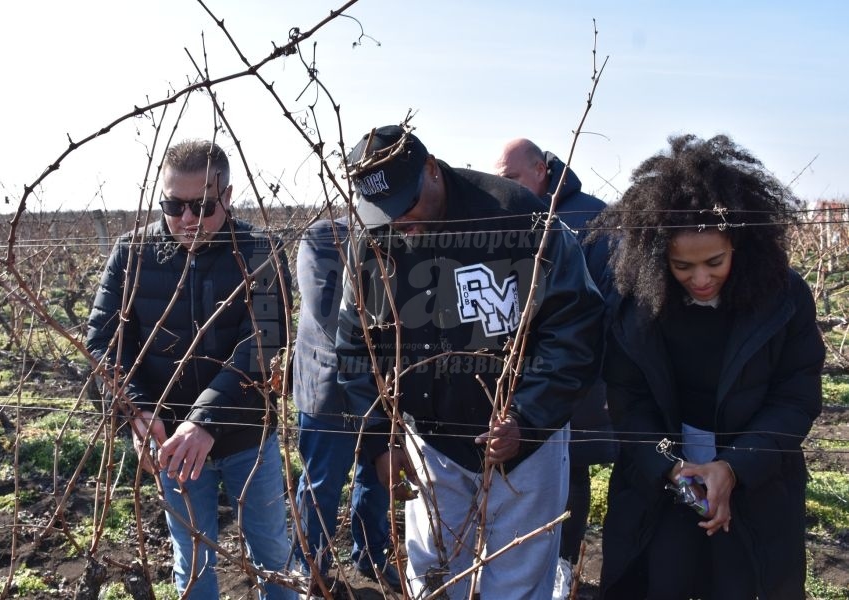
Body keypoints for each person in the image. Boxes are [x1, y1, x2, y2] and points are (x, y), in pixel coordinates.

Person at [335, 124, 605, 599]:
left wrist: (528, 418)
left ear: (432, 171)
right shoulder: (374, 241)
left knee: (518, 581)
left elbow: (574, 325)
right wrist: (380, 437)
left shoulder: (515, 215)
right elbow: (356, 345)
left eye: (406, 204)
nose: (400, 222)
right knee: (434, 579)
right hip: (433, 443)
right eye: (384, 212)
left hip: (525, 446)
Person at [590, 134, 824, 599]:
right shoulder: (637, 305)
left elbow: (795, 399)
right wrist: (670, 468)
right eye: (682, 266)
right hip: (661, 485)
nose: (700, 279)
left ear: (739, 241)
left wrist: (733, 468)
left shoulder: (783, 297)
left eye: (715, 262)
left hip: (759, 484)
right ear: (659, 257)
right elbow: (628, 402)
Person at [86, 139, 297, 600]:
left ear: (228, 197)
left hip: (246, 438)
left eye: (202, 206)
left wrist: (203, 422)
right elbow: (104, 342)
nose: (186, 219)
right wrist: (137, 412)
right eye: (172, 205)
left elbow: (263, 344)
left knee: (273, 558)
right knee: (193, 562)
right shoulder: (131, 254)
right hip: (171, 447)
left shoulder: (260, 251)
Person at [496, 138, 618, 598]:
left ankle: (563, 562)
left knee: (571, 469)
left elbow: (610, 300)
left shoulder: (593, 218)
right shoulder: (506, 215)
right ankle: (519, 557)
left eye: (510, 179)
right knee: (521, 467)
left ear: (541, 171)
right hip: (516, 376)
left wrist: (592, 371)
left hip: (576, 374)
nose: (502, 188)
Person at [291, 216, 400, 591]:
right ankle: (308, 564)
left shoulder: (404, 237)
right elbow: (328, 310)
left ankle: (371, 554)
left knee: (378, 476)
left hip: (384, 386)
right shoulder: (323, 236)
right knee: (322, 481)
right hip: (328, 386)